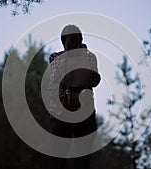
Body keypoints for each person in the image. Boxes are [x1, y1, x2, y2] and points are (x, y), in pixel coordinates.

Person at [48, 25, 101, 169]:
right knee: (82, 163)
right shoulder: (90, 57)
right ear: (81, 39)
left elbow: (53, 87)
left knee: (56, 162)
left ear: (63, 41)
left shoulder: (55, 58)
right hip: (86, 116)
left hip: (61, 115)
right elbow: (94, 81)